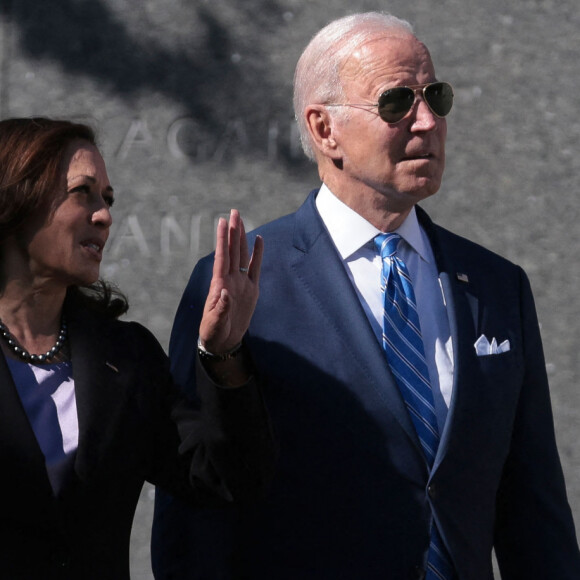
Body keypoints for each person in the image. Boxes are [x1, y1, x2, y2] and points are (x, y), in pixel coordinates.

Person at [152, 11, 580, 580]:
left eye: (437, 97)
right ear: (325, 129)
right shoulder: (244, 282)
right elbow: (198, 507)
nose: (427, 121)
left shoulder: (496, 285)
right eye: (397, 102)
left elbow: (534, 509)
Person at [0, 117, 274, 579]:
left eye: (107, 199)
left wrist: (224, 354)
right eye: (81, 192)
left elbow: (224, 478)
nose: (104, 215)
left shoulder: (125, 356)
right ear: (16, 198)